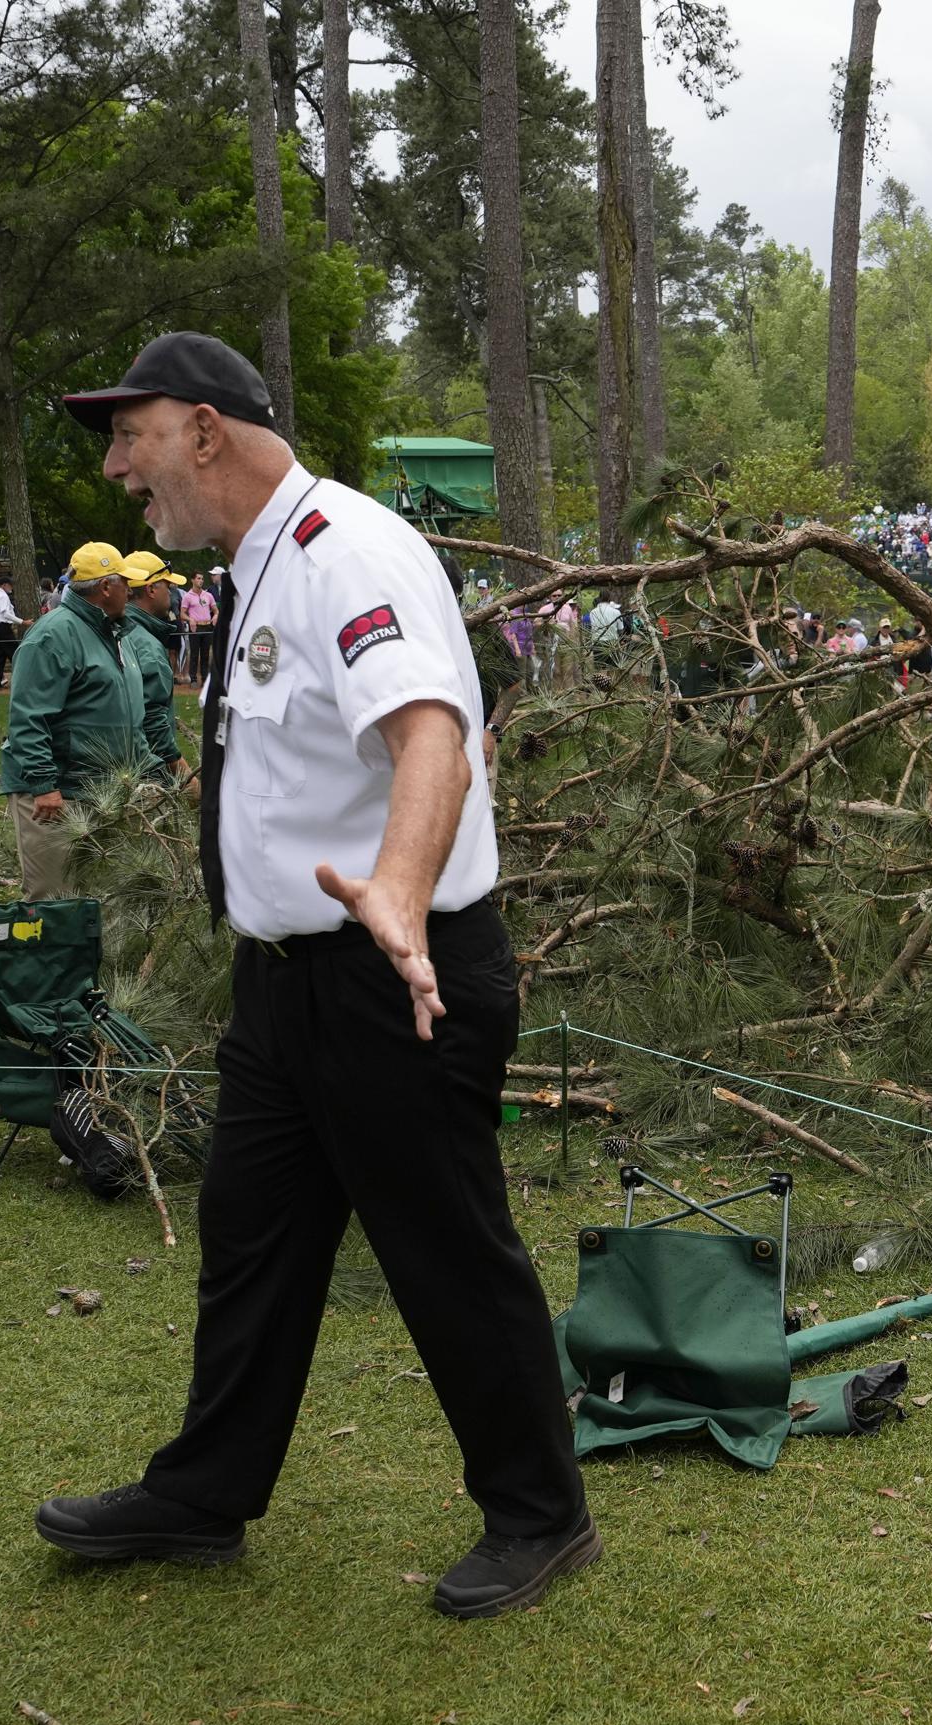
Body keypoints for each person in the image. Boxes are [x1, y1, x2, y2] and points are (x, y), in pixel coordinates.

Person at [37, 330, 595, 1616]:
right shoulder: (261, 562)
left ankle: (541, 1514)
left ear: (207, 430)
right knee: (253, 1242)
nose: (121, 468)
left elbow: (432, 734)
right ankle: (204, 1493)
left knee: (447, 1249)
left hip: (390, 976)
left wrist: (397, 892)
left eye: (133, 433)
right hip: (285, 985)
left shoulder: (345, 550)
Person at [2, 542, 184, 895]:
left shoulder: (117, 634)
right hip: (57, 796)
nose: (130, 592)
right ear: (106, 588)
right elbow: (28, 717)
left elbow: (132, 718)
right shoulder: (53, 635)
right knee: (58, 902)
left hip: (104, 789)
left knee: (102, 898)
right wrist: (44, 785)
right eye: (124, 584)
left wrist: (151, 773)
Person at [119, 550, 195, 779]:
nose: (172, 593)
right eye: (167, 586)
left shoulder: (115, 628)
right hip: (146, 773)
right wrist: (182, 773)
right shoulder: (146, 645)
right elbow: (153, 721)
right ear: (151, 589)